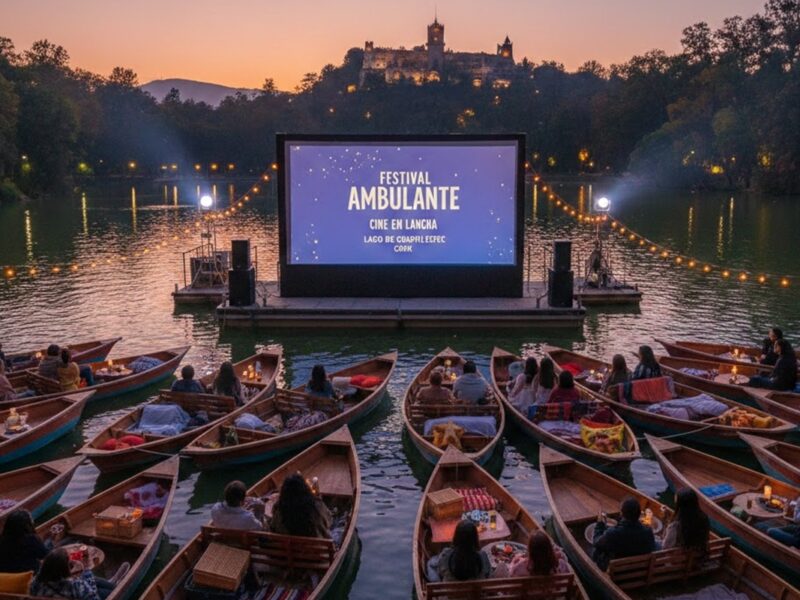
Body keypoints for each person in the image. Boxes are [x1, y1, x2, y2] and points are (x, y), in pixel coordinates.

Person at [28, 547, 129, 600]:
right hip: (84, 595)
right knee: (112, 590)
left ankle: (112, 581)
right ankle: (116, 585)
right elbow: (94, 597)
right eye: (69, 563)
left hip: (72, 594)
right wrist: (84, 569)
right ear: (63, 570)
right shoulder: (74, 585)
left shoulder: (35, 582)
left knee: (92, 580)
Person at [592, 497, 656, 569]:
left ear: (621, 513)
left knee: (594, 550)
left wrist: (600, 524)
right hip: (640, 570)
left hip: (617, 573)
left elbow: (596, 542)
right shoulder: (648, 532)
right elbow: (652, 547)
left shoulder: (613, 534)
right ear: (639, 514)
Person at [269, 474, 331, 538]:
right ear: (305, 489)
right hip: (317, 546)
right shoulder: (316, 506)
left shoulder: (278, 511)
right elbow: (329, 521)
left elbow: (273, 528)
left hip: (286, 546)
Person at [497, 531, 570, 578]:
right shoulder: (561, 565)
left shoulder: (521, 566)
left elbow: (511, 575)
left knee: (501, 566)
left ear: (530, 550)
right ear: (549, 549)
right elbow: (566, 570)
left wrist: (513, 561)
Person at [0, 509, 48, 574]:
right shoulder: (31, 540)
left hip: (6, 575)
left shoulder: (3, 539)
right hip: (27, 575)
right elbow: (44, 555)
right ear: (27, 525)